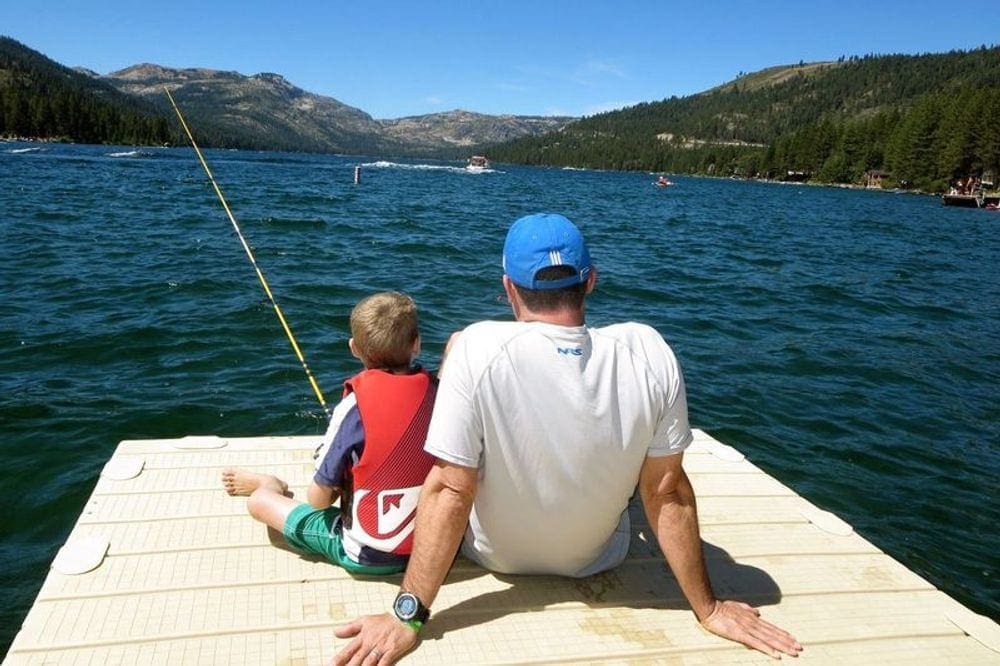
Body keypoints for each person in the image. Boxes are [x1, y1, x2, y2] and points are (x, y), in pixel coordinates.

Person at [332, 214, 803, 664]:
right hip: (598, 557)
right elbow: (667, 492)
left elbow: (452, 488)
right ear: (591, 280)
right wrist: (710, 608)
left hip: (494, 554)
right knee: (652, 482)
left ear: (508, 288)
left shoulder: (475, 348)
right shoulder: (649, 351)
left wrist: (406, 617)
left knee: (457, 360)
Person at [221, 291, 437, 575]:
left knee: (258, 502)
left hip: (367, 555)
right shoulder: (441, 393)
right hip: (437, 548)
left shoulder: (353, 408)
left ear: (354, 348)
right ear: (417, 345)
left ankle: (268, 484)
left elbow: (319, 501)